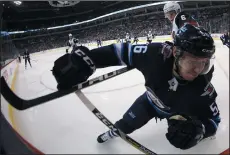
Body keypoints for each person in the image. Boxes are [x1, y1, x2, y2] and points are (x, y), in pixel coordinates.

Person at [52, 24, 220, 150]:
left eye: (204, 63)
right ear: (176, 52)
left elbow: (214, 120)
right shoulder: (155, 54)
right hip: (150, 102)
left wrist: (200, 131)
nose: (198, 70)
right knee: (126, 124)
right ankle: (114, 132)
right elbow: (120, 52)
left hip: (178, 115)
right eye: (193, 61)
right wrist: (90, 59)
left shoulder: (203, 89)